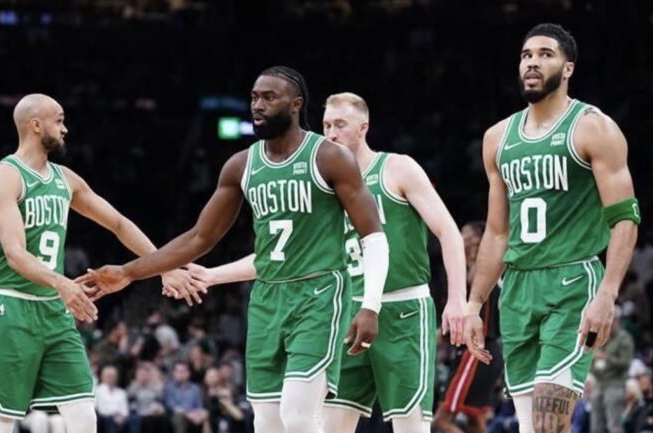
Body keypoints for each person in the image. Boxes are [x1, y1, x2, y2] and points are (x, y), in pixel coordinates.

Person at [81, 67, 389, 433]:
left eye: (269, 98)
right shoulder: (241, 165)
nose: (257, 105)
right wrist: (130, 272)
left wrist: (371, 305)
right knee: (267, 423)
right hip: (266, 299)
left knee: (299, 417)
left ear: (296, 104)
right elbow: (199, 238)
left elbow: (374, 236)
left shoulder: (330, 157)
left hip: (320, 293)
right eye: (254, 98)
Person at [180, 92, 466, 433]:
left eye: (340, 124)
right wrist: (213, 275)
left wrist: (457, 299)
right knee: (330, 425)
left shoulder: (397, 168)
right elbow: (283, 258)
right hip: (345, 314)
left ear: (363, 127)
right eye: (326, 125)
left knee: (410, 427)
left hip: (401, 310)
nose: (330, 133)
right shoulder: (323, 186)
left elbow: (449, 231)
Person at [0, 93, 192, 433]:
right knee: (0, 421)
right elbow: (14, 253)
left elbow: (118, 223)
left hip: (53, 311)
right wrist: (63, 283)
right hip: (8, 307)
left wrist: (165, 266)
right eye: (59, 120)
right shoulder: (4, 176)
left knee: (85, 416)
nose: (65, 128)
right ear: (36, 124)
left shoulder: (65, 180)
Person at [463, 23, 639, 433]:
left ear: (568, 67)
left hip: (573, 280)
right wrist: (474, 304)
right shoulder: (498, 138)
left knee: (548, 421)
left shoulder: (593, 127)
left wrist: (607, 293)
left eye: (545, 54)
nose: (533, 63)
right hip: (518, 288)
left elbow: (625, 218)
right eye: (526, 55)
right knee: (531, 426)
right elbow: (496, 233)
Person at [434, 222, 504, 433]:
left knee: (441, 421)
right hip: (487, 351)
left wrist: (476, 253)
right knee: (476, 423)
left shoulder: (482, 271)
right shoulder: (483, 271)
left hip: (474, 352)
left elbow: (473, 279)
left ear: (478, 241)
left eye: (465, 235)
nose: (460, 239)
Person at [590, 305, 634, 433]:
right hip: (598, 383)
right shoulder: (599, 335)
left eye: (611, 318)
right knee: (596, 425)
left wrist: (606, 357)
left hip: (615, 384)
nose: (607, 321)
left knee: (613, 425)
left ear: (617, 320)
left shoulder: (624, 338)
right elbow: (589, 356)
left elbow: (625, 362)